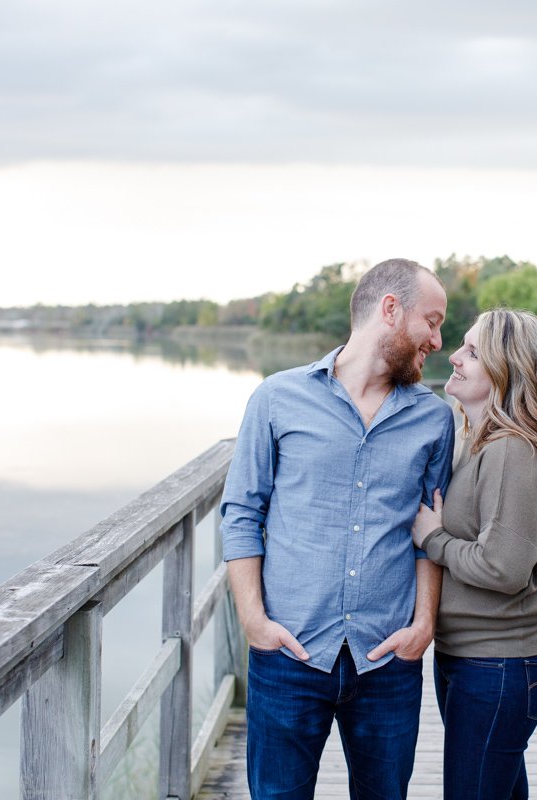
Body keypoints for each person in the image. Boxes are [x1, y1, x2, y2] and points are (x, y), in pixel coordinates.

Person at [220, 258, 456, 800]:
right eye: (433, 321)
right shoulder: (276, 399)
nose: (439, 340)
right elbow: (241, 514)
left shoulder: (433, 418)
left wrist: (424, 625)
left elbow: (429, 537)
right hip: (289, 653)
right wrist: (253, 621)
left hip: (387, 660)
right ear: (390, 310)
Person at [411, 308, 537, 800]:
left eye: (473, 352)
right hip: (481, 664)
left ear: (508, 369)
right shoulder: (482, 445)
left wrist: (432, 537)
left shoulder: (510, 451)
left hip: (498, 668)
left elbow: (505, 567)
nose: (455, 357)